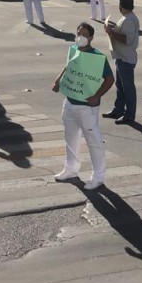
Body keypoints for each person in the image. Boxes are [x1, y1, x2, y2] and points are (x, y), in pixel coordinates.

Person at [53, 23, 114, 190]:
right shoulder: (74, 49)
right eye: (78, 33)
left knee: (93, 141)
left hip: (87, 107)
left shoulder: (97, 57)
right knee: (70, 138)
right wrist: (58, 81)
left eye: (84, 34)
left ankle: (98, 177)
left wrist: (96, 96)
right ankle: (71, 169)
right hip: (70, 103)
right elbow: (68, 67)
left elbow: (110, 80)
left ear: (91, 37)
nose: (80, 37)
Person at [103, 0, 140, 125]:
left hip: (126, 58)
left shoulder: (129, 19)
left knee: (128, 88)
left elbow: (127, 40)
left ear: (121, 7)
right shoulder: (127, 17)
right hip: (121, 57)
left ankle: (129, 115)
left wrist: (111, 33)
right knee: (120, 86)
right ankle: (118, 110)